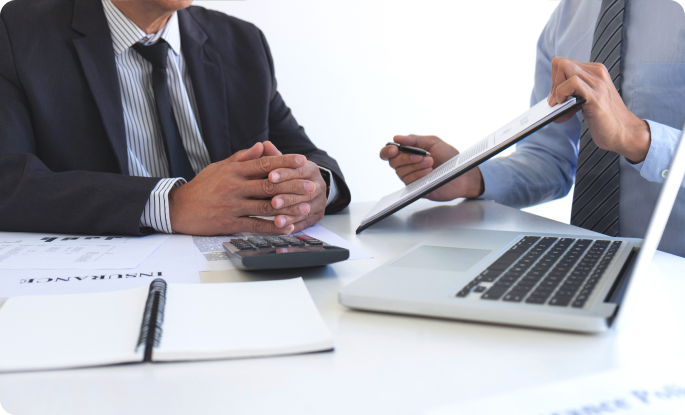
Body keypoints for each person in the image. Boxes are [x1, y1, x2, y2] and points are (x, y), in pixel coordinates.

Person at [0, 0, 351, 237]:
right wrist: (172, 205)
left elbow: (305, 154)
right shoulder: (18, 31)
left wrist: (315, 185)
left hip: (234, 278)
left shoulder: (242, 41)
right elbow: (9, 181)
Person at [380, 0, 685, 257]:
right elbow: (550, 160)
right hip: (586, 269)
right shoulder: (570, 13)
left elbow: (629, 136)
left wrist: (637, 138)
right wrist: (471, 178)